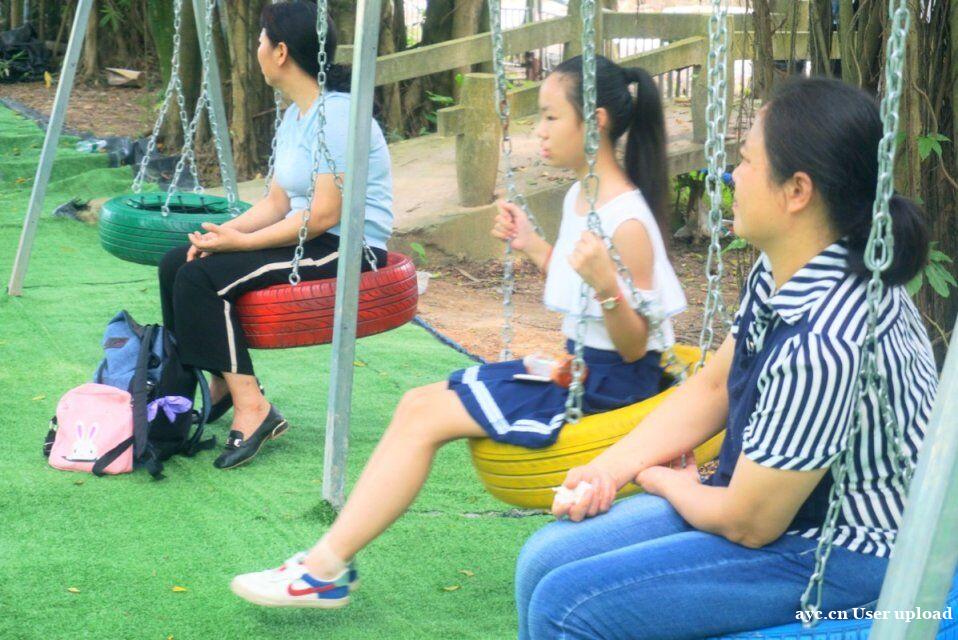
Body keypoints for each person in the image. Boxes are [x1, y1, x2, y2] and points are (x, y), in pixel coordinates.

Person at [228, 55, 687, 608]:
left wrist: (607, 283)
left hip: (611, 389)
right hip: (579, 370)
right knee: (417, 404)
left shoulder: (627, 221)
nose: (539, 131)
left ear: (596, 121)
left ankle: (325, 568)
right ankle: (327, 564)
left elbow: (635, 345)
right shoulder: (578, 196)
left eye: (550, 117)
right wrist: (533, 246)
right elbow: (578, 285)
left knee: (424, 416)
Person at [514, 76, 939, 639]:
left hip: (845, 552)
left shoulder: (828, 341)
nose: (732, 176)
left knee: (569, 605)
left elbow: (749, 523)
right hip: (776, 503)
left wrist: (663, 481)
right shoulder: (788, 263)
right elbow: (713, 387)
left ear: (797, 191)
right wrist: (607, 470)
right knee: (542, 560)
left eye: (746, 160)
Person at [157, 2, 393, 470]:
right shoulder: (295, 117)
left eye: (261, 41)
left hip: (348, 246)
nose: (258, 50)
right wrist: (220, 233)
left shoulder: (337, 115)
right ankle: (219, 384)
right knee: (177, 262)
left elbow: (323, 215)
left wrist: (241, 244)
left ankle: (254, 407)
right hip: (308, 236)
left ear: (281, 52)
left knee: (201, 280)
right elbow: (276, 203)